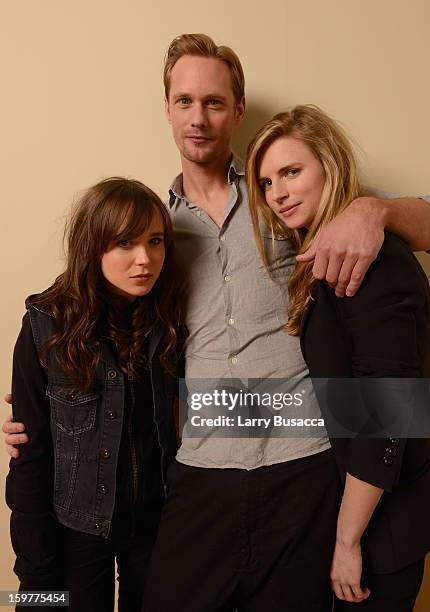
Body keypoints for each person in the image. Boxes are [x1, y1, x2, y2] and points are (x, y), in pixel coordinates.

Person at [4, 34, 430, 611]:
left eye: (213, 102)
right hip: (201, 468)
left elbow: (416, 231)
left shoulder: (281, 195)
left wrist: (375, 209)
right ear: (167, 109)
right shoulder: (151, 230)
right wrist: (42, 409)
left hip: (304, 467)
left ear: (236, 108)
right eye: (184, 101)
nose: (198, 117)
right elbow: (88, 309)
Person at [246, 104, 430, 611]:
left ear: (329, 164)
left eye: (291, 172)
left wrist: (349, 543)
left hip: (382, 526)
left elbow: (390, 410)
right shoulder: (325, 257)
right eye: (265, 183)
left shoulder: (370, 258)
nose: (277, 194)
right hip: (357, 507)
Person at [5, 178, 180, 612]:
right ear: (93, 247)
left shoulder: (172, 318)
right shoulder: (45, 326)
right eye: (124, 243)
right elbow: (30, 459)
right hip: (77, 527)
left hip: (157, 523)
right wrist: (35, 582)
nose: (144, 260)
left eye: (155, 241)